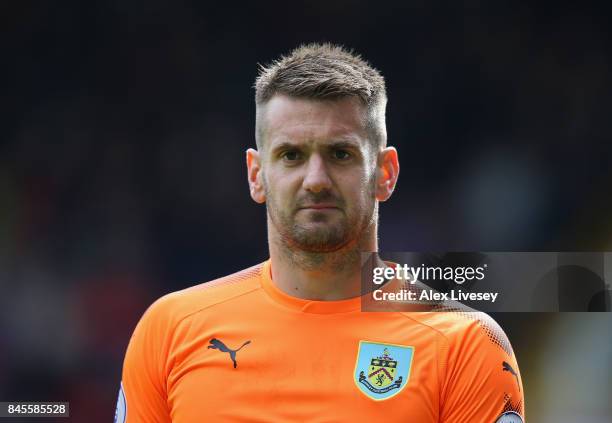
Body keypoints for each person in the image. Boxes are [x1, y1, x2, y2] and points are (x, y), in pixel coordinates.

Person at [116, 43, 525, 423]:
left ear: (385, 173)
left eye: (340, 154)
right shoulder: (171, 330)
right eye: (292, 155)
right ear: (256, 176)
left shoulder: (464, 344)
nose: (316, 179)